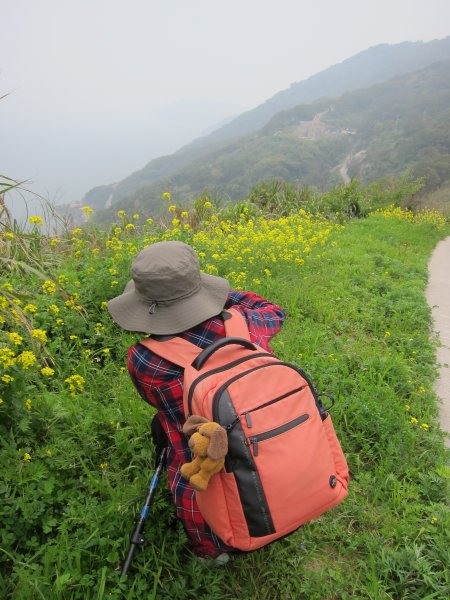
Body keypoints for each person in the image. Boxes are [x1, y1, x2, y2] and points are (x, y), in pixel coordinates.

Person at [107, 240, 285, 563]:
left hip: (201, 477)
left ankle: (212, 553)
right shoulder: (247, 325)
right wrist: (214, 297)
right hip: (262, 454)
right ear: (200, 291)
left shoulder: (144, 362)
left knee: (176, 443)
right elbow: (274, 311)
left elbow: (156, 404)